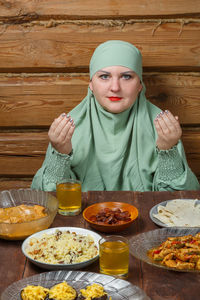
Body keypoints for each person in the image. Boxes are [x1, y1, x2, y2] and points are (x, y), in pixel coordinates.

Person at [31, 40, 200, 192]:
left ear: (140, 84)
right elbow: (46, 198)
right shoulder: (69, 125)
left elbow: (180, 201)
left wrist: (167, 150)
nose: (115, 87)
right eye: (104, 76)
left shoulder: (161, 124)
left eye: (126, 77)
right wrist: (60, 153)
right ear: (91, 84)